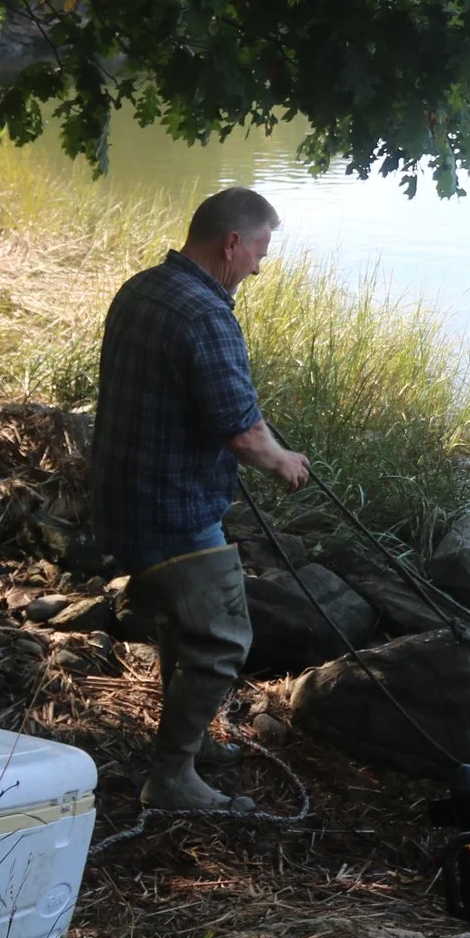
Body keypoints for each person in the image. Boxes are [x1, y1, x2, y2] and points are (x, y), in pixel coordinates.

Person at [91, 187, 311, 810]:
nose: (262, 265)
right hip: (173, 508)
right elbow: (242, 433)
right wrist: (284, 463)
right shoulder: (207, 314)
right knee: (222, 642)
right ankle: (172, 779)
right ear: (232, 243)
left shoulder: (144, 287)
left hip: (124, 498)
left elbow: (207, 403)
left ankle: (188, 741)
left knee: (180, 625)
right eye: (260, 249)